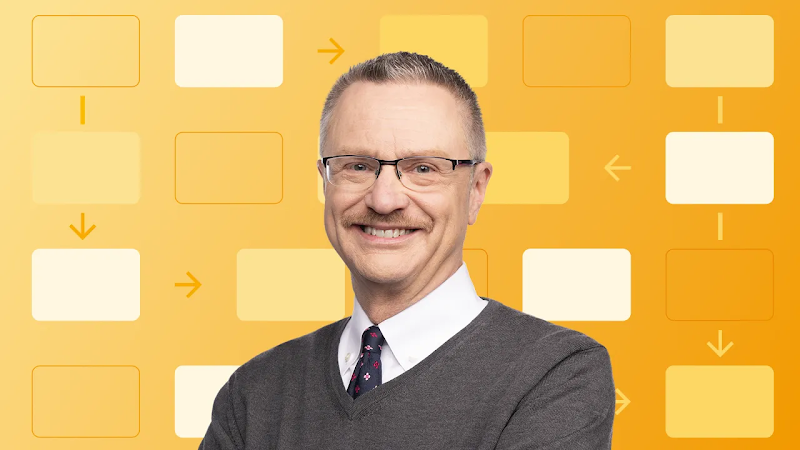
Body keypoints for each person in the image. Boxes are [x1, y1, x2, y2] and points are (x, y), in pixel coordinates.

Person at [200, 51, 615, 449]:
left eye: (423, 169)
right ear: (325, 182)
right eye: (358, 166)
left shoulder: (556, 373)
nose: (384, 200)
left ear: (475, 190)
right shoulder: (255, 392)